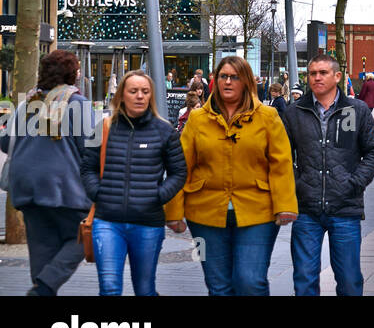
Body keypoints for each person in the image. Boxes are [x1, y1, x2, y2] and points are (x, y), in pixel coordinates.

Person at [166, 55, 297, 296]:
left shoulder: (268, 117)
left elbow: (281, 163)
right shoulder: (196, 119)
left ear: (246, 81)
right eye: (223, 77)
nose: (227, 82)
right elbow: (181, 166)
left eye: (234, 77)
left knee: (251, 282)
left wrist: (286, 205)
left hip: (258, 211)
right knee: (218, 286)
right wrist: (174, 212)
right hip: (204, 214)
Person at [282, 53, 374, 296]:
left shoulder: (356, 110)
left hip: (345, 207)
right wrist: (298, 184)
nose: (316, 78)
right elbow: (282, 156)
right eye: (312, 73)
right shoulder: (294, 112)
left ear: (337, 76)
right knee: (304, 279)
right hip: (307, 209)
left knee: (349, 280)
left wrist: (356, 183)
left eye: (323, 73)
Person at [80, 70, 186, 296]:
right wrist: (98, 193)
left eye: (145, 91)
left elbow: (178, 173)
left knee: (145, 289)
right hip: (107, 220)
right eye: (133, 91)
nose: (139, 96)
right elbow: (87, 167)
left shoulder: (164, 131)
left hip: (147, 222)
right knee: (109, 288)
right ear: (121, 95)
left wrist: (157, 196)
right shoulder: (104, 127)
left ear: (151, 96)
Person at [0, 49, 94, 295]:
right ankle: (43, 288)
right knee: (81, 237)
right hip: (63, 187)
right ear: (72, 74)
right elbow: (92, 148)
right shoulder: (78, 104)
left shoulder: (28, 102)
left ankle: (41, 289)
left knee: (41, 245)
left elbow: (4, 141)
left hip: (25, 186)